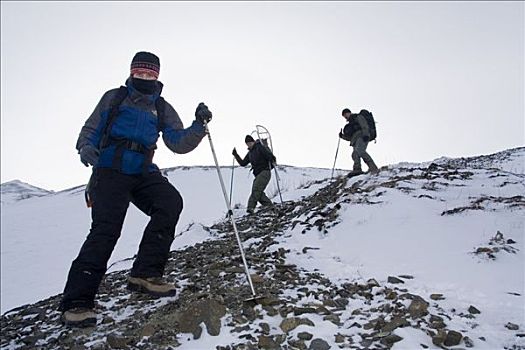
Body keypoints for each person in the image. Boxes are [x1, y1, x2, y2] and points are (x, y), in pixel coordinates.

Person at [60, 51, 213, 327]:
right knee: (106, 230)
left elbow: (177, 142)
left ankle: (145, 274)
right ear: (131, 72)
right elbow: (91, 128)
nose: (144, 77)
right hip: (110, 169)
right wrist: (85, 147)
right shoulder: (114, 98)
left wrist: (199, 126)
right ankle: (77, 301)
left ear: (157, 75)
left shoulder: (162, 107)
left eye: (150, 74)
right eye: (140, 73)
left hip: (143, 170)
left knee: (169, 203)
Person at [232, 135, 276, 214]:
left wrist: (272, 160)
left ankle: (250, 208)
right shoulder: (250, 153)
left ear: (253, 141)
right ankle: (270, 206)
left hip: (265, 172)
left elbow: (269, 155)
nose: (249, 144)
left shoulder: (260, 147)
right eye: (247, 143)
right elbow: (243, 163)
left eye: (250, 142)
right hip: (258, 174)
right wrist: (236, 155)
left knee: (256, 190)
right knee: (258, 192)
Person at [339, 108, 379, 177]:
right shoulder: (351, 123)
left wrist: (366, 134)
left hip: (362, 136)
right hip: (355, 140)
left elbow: (364, 125)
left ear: (349, 113)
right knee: (355, 154)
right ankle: (357, 169)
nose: (345, 116)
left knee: (360, 151)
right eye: (344, 115)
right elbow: (350, 138)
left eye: (345, 114)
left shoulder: (357, 117)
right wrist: (342, 136)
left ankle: (373, 168)